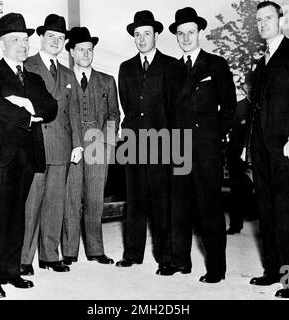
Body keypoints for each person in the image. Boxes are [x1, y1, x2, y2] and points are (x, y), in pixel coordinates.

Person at [0, 13, 57, 298]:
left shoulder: (34, 78)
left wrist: (24, 103)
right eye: (17, 40)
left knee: (16, 218)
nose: (24, 45)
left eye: (25, 39)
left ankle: (11, 272)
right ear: (2, 44)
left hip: (26, 156)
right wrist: (28, 114)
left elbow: (51, 108)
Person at [163, 7, 236, 282]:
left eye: (190, 32)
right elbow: (169, 110)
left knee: (210, 208)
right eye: (180, 33)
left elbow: (229, 106)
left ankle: (217, 268)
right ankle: (180, 261)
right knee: (179, 206)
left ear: (200, 33)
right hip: (179, 147)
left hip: (205, 148)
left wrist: (215, 135)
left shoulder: (216, 64)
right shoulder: (172, 70)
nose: (185, 37)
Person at [244, 1, 289, 298]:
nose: (263, 23)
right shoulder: (261, 62)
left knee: (283, 211)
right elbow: (254, 109)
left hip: (286, 144)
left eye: (268, 18)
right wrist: (248, 146)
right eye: (259, 19)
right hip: (259, 146)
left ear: (281, 20)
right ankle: (273, 271)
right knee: (266, 211)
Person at [20, 14, 82, 275]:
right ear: (41, 38)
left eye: (60, 38)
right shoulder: (27, 66)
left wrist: (78, 145)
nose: (56, 41)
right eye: (51, 37)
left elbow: (75, 112)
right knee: (31, 204)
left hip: (61, 146)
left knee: (55, 204)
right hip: (34, 145)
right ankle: (23, 259)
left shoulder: (68, 73)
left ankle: (49, 255)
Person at [115, 10, 176, 271]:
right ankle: (132, 253)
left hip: (162, 141)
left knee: (162, 201)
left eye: (147, 33)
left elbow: (174, 107)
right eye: (137, 34)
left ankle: (165, 256)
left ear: (157, 35)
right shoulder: (126, 67)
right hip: (133, 141)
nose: (141, 39)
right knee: (135, 199)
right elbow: (128, 105)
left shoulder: (171, 65)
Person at [62, 27, 120, 265]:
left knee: (95, 199)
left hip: (98, 144)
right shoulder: (63, 79)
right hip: (71, 145)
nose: (86, 54)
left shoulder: (106, 81)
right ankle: (69, 251)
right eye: (81, 50)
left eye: (89, 50)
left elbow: (114, 114)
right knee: (71, 197)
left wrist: (106, 142)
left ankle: (96, 250)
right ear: (72, 52)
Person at [226, 82, 256, 234]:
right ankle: (235, 224)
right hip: (236, 153)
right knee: (236, 189)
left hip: (252, 153)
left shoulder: (254, 106)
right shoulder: (237, 106)